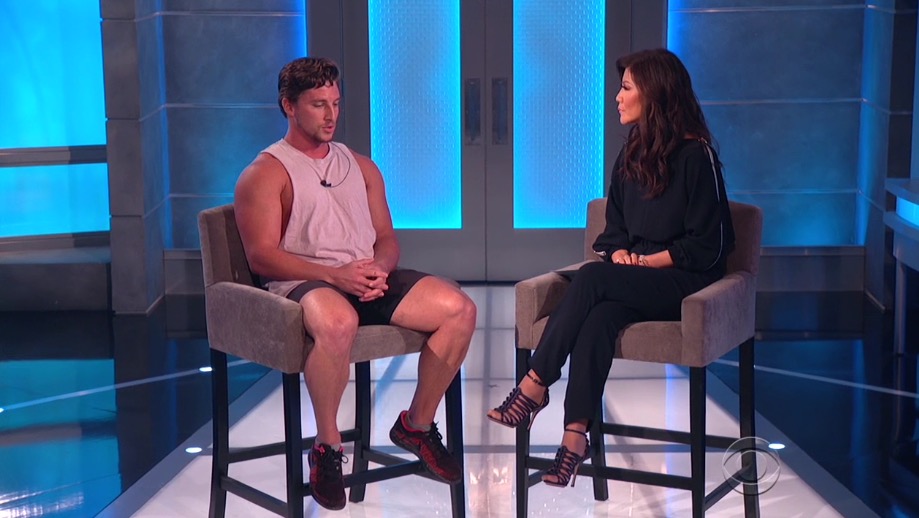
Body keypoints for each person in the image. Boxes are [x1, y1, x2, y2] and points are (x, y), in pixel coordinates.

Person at [234, 57, 476, 511]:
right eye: (318, 105)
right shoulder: (265, 173)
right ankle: (327, 447)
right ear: (289, 106)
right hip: (304, 281)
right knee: (338, 322)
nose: (331, 115)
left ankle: (416, 425)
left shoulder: (361, 167)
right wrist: (334, 274)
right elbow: (261, 256)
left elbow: (386, 238)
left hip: (364, 277)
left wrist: (379, 269)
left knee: (459, 310)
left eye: (336, 103)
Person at [486, 48, 735, 488]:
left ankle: (534, 384)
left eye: (626, 88)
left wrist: (645, 262)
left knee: (592, 276)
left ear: (654, 94)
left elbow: (708, 246)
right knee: (599, 317)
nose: (617, 97)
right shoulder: (632, 153)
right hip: (636, 278)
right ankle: (574, 438)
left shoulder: (697, 157)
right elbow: (614, 227)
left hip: (684, 282)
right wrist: (621, 255)